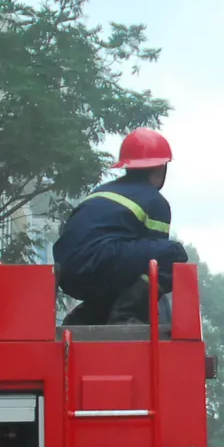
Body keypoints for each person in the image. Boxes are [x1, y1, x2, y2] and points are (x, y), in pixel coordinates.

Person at [54, 128, 189, 325]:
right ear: (161, 168)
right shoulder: (154, 201)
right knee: (172, 255)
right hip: (99, 260)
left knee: (127, 265)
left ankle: (86, 316)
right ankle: (126, 313)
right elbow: (153, 264)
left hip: (67, 273)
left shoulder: (101, 192)